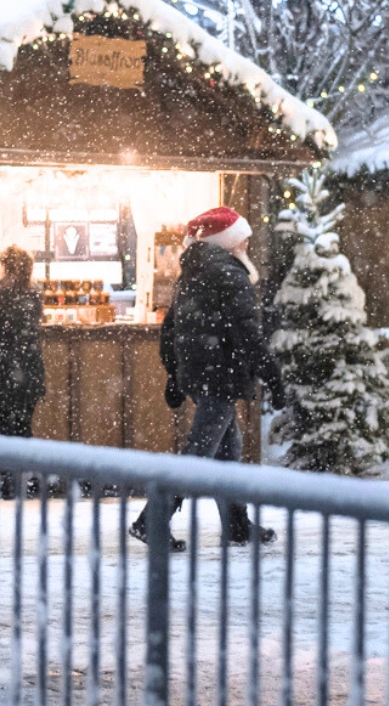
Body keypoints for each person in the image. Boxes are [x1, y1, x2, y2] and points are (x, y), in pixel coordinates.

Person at [129, 206, 287, 550]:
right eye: (242, 238)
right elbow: (248, 334)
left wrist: (174, 372)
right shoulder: (230, 275)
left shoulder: (193, 272)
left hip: (201, 374)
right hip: (220, 375)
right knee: (200, 451)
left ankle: (237, 525)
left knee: (228, 448)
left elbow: (171, 328)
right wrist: (272, 376)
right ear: (228, 242)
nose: (247, 243)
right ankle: (151, 521)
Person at [0, 245, 46, 438]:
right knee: (24, 425)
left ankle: (7, 467)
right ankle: (25, 465)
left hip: (1, 367)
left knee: (4, 426)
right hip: (29, 365)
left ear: (5, 267)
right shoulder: (35, 295)